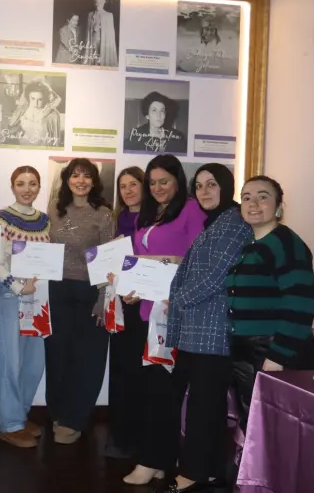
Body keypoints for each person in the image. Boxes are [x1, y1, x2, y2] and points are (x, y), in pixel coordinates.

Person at [157, 164, 253, 493]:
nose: (204, 191)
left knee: (202, 406)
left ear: (226, 186)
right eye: (198, 186)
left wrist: (177, 299)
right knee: (208, 404)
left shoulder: (234, 221)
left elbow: (215, 276)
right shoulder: (217, 221)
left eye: (212, 184)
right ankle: (209, 470)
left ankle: (192, 472)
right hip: (200, 330)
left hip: (212, 331)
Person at [123, 155, 206, 486]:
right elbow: (142, 263)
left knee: (164, 390)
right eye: (153, 182)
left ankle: (152, 460)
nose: (157, 188)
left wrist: (173, 261)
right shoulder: (149, 213)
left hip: (175, 313)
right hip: (148, 312)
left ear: (178, 181)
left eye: (164, 181)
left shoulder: (191, 209)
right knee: (151, 389)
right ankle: (159, 458)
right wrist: (132, 290)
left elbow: (201, 259)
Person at [227, 176, 314, 431]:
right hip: (246, 351)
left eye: (263, 197)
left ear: (278, 206)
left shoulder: (286, 243)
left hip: (274, 351)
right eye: (246, 198)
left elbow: (300, 305)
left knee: (274, 429)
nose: (253, 203)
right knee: (256, 426)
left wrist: (277, 357)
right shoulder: (250, 246)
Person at [45, 158, 113, 445]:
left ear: (94, 181)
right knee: (58, 355)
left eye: (87, 176)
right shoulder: (54, 210)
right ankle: (58, 413)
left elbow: (108, 260)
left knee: (87, 359)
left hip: (90, 292)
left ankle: (75, 418)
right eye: (75, 175)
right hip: (57, 290)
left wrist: (102, 299)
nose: (81, 181)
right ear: (67, 179)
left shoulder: (104, 214)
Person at [0, 166, 51, 448]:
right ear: (12, 186)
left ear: (39, 187)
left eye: (33, 183)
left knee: (34, 362)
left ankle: (21, 415)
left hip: (37, 297)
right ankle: (10, 424)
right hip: (9, 295)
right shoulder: (1, 219)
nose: (27, 189)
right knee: (9, 361)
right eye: (21, 183)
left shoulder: (45, 221)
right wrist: (16, 285)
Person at [106, 166, 145, 458]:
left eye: (133, 184)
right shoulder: (117, 219)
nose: (128, 190)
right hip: (119, 300)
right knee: (119, 368)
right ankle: (118, 435)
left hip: (143, 303)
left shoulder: (155, 221)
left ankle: (136, 437)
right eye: (123, 186)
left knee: (138, 371)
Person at [86, 0, 118, 67]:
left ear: (103, 4)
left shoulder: (108, 15)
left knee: (101, 52)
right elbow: (88, 29)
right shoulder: (90, 14)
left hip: (103, 38)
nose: (98, 4)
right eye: (96, 3)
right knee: (94, 52)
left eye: (100, 3)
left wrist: (100, 27)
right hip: (93, 37)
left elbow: (109, 31)